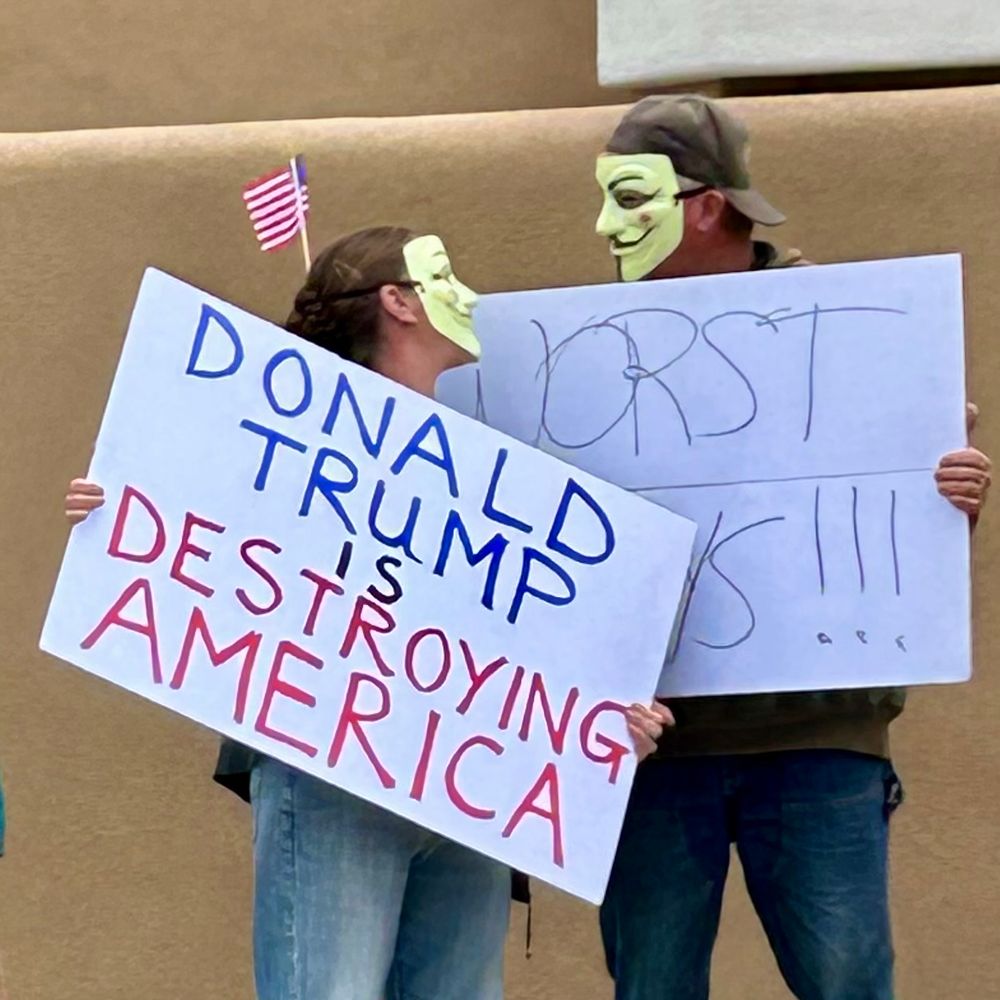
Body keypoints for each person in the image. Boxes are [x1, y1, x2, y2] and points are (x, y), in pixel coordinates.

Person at [65, 225, 669, 999]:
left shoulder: (496, 472)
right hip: (332, 780)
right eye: (443, 277)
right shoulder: (275, 445)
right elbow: (201, 544)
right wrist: (116, 516)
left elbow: (539, 632)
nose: (469, 294)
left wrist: (603, 726)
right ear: (397, 302)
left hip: (471, 793)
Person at [592, 95, 992, 1000]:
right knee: (650, 987)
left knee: (846, 984)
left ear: (702, 205)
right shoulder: (583, 352)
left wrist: (947, 503)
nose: (603, 224)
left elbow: (901, 529)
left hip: (819, 736)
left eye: (627, 197)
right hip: (658, 747)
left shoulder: (856, 329)